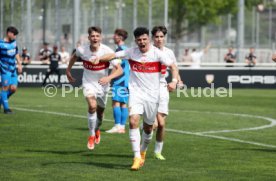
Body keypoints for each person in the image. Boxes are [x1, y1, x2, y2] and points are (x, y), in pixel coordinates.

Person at [91, 27, 178, 171]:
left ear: (148, 40)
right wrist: (99, 58)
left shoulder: (157, 54)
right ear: (136, 41)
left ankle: (143, 151)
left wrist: (174, 80)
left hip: (153, 95)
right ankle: (136, 157)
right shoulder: (131, 52)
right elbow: (112, 55)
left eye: (144, 39)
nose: (142, 42)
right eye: (139, 40)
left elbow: (173, 66)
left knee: (149, 128)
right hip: (136, 93)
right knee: (133, 121)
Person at [66, 26, 123, 151]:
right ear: (89, 38)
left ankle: (97, 130)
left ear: (100, 37)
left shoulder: (107, 51)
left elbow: (120, 70)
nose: (95, 38)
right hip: (88, 83)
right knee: (92, 106)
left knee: (100, 114)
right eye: (92, 36)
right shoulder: (82, 50)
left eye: (97, 36)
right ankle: (91, 135)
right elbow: (74, 57)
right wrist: (68, 70)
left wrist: (109, 78)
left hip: (103, 85)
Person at [151, 25, 183, 161]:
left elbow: (174, 67)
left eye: (161, 37)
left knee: (161, 124)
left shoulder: (169, 52)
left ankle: (158, 151)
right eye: (157, 36)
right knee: (154, 124)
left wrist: (176, 81)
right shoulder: (147, 51)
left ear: (164, 38)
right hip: (148, 89)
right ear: (153, 38)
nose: (159, 39)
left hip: (163, 87)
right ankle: (142, 145)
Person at [106, 29, 129, 134]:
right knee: (123, 104)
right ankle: (122, 127)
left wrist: (109, 77)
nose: (113, 37)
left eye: (115, 35)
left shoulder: (119, 50)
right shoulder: (127, 49)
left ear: (120, 37)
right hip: (127, 80)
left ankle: (117, 126)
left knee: (115, 103)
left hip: (119, 80)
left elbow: (117, 66)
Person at [0, 26, 22, 114]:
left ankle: (2, 99)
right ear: (9, 33)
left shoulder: (14, 43)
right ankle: (6, 109)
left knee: (13, 89)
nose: (15, 36)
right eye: (14, 35)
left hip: (13, 69)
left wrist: (19, 64)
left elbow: (16, 53)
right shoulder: (1, 44)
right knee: (5, 88)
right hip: (5, 69)